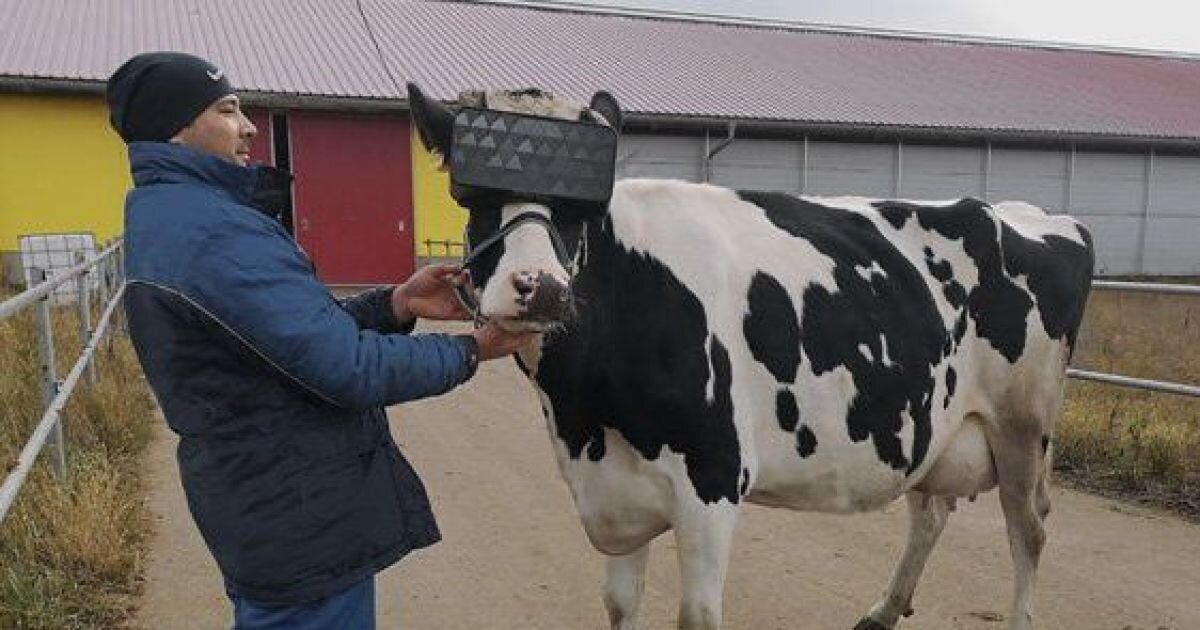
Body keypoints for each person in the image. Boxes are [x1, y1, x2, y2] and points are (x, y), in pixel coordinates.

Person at [106, 51, 532, 628]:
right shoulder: (214, 233)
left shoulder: (179, 215)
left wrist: (395, 303)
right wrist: (471, 349)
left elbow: (290, 338)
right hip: (295, 512)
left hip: (268, 501)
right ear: (176, 129)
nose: (250, 125)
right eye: (227, 109)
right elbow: (348, 368)